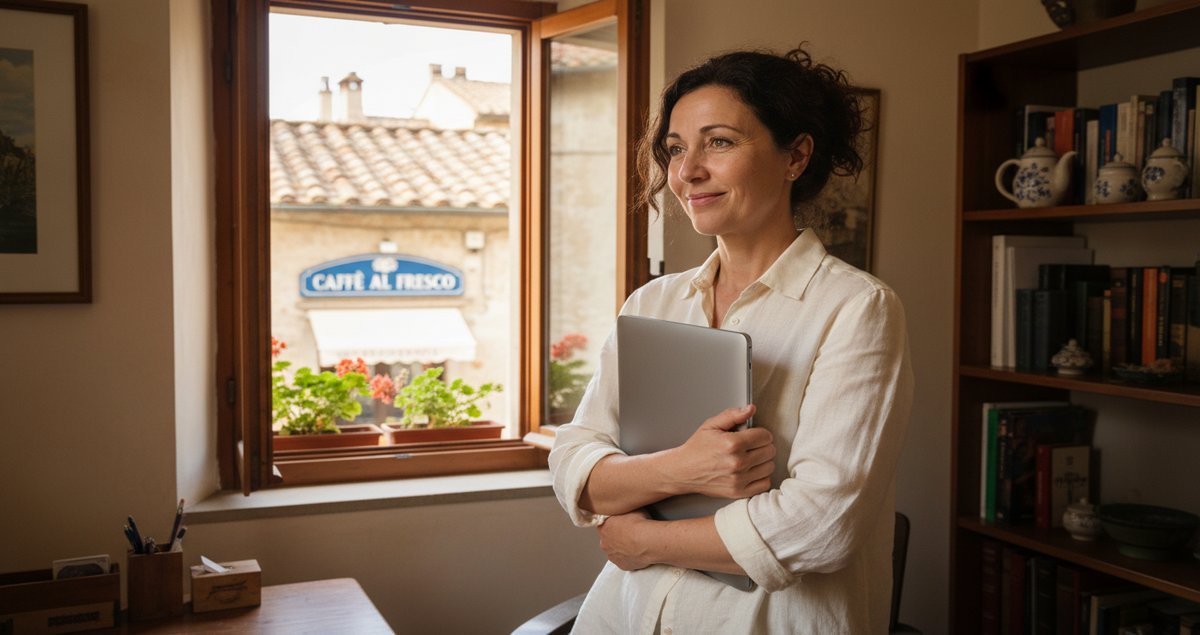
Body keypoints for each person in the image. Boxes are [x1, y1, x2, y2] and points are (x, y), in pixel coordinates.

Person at [549, 45, 914, 634]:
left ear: (795, 155)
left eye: (718, 142)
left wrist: (644, 539)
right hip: (624, 617)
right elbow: (575, 463)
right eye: (675, 148)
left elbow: (820, 526)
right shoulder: (652, 304)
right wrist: (684, 469)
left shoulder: (857, 309)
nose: (686, 170)